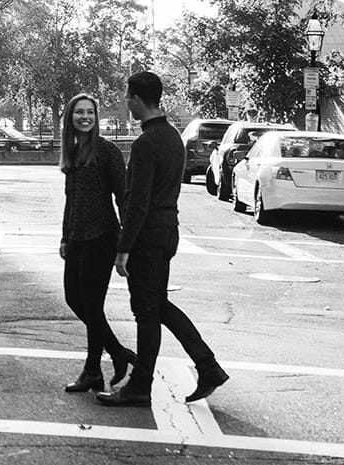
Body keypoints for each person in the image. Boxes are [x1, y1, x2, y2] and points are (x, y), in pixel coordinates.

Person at [98, 70, 231, 409]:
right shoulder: (173, 137)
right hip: (166, 232)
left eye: (128, 97)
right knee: (156, 307)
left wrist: (124, 249)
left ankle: (142, 385)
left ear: (138, 99)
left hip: (146, 239)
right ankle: (207, 367)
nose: (126, 103)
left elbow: (138, 202)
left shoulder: (145, 143)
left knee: (146, 311)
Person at [56, 91, 132, 393]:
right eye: (79, 113)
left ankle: (92, 371)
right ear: (70, 118)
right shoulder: (72, 152)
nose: (85, 117)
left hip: (102, 238)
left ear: (96, 117)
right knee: (74, 299)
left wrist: (125, 243)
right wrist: (64, 237)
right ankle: (117, 353)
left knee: (92, 304)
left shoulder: (107, 151)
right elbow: (70, 200)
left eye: (89, 112)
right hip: (76, 238)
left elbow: (123, 197)